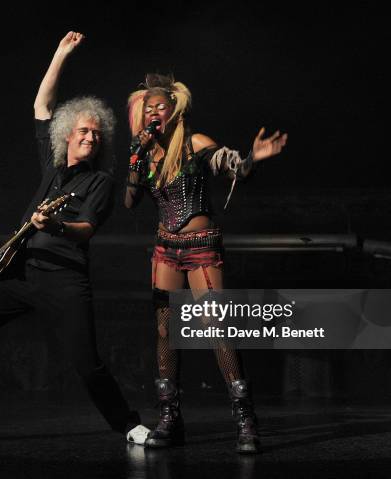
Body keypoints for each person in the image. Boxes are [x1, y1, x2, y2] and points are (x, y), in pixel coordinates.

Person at [0, 31, 149, 447]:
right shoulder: (52, 168)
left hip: (65, 279)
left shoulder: (100, 182)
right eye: (84, 131)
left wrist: (53, 227)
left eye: (96, 134)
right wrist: (59, 54)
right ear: (68, 134)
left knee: (87, 363)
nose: (90, 138)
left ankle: (129, 425)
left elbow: (86, 230)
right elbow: (42, 106)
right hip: (20, 273)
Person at [125, 74, 287, 452]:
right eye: (147, 107)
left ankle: (246, 420)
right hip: (166, 247)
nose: (153, 112)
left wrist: (252, 159)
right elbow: (130, 201)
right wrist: (135, 154)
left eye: (160, 106)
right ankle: (169, 419)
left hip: (201, 245)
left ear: (174, 110)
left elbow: (236, 169)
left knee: (217, 326)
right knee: (166, 332)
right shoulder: (146, 154)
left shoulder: (195, 143)